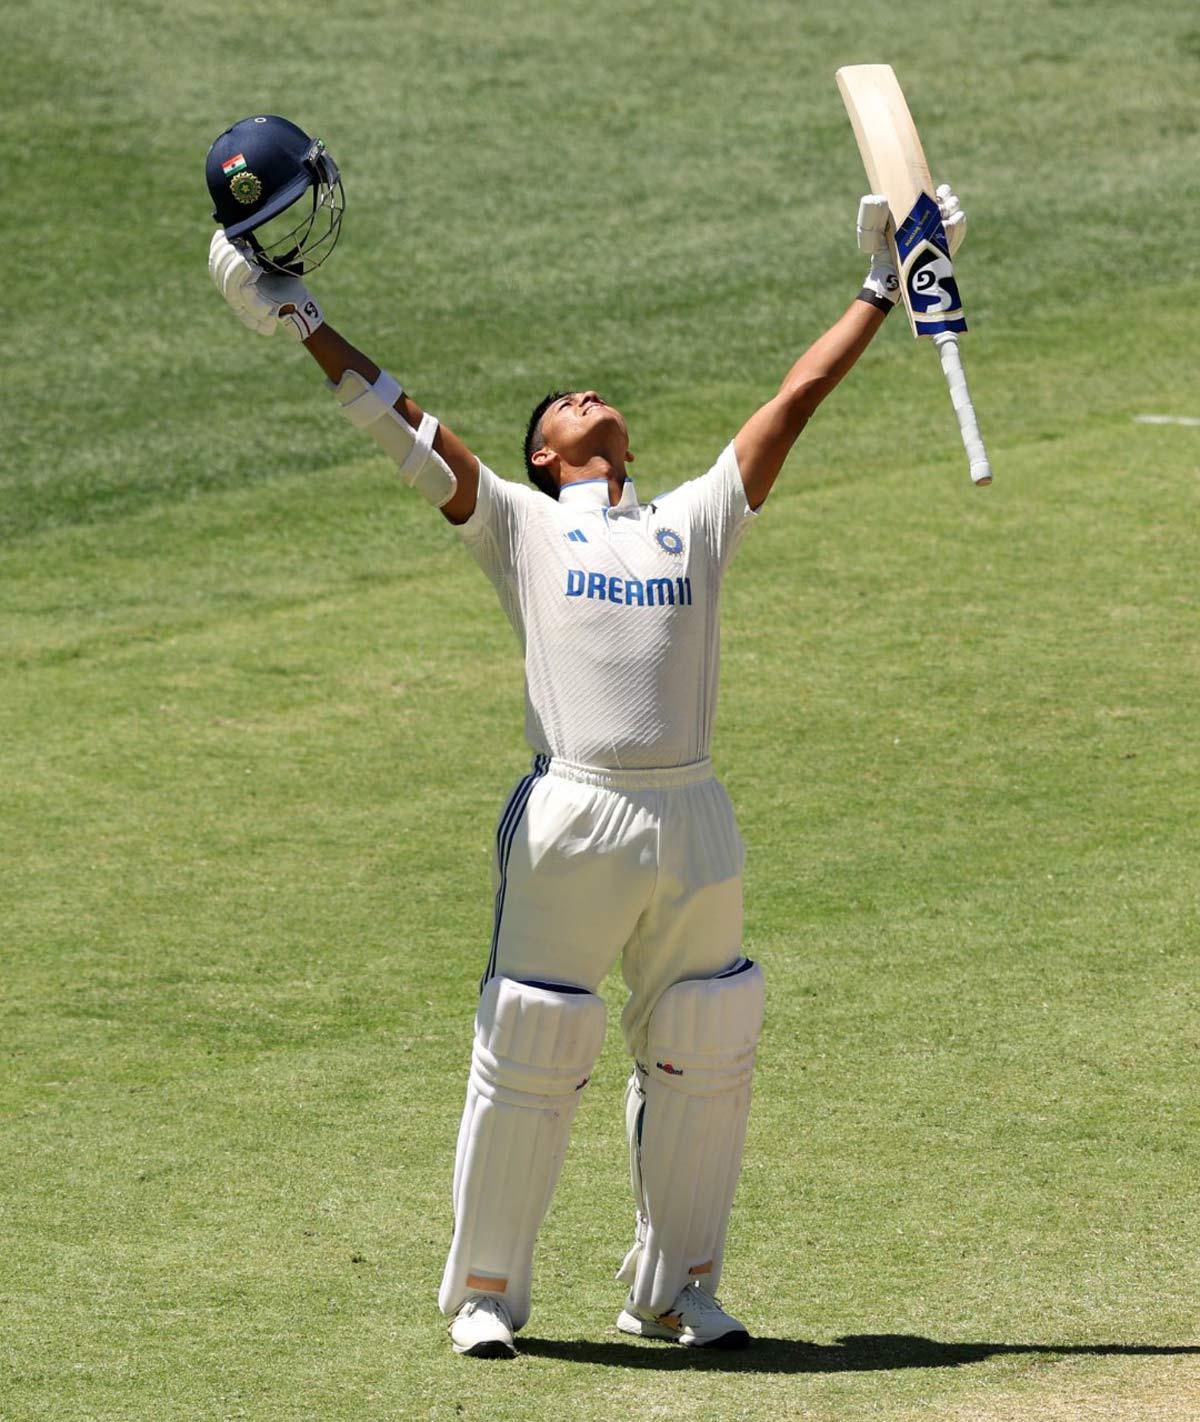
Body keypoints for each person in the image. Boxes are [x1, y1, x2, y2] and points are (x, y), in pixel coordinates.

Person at [206, 114, 966, 1360]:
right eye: (562, 404)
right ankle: (490, 1298)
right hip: (574, 808)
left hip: (695, 812)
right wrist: (299, 319)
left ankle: (675, 1291)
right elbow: (403, 428)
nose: (586, 396)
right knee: (533, 1041)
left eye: (595, 397)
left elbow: (796, 399)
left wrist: (886, 282)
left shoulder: (696, 522)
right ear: (546, 455)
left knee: (709, 1046)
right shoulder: (515, 522)